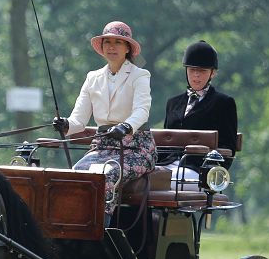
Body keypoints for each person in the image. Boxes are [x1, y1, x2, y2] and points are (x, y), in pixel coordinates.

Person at [52, 20, 156, 223]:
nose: (111, 46)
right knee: (76, 175)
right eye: (107, 41)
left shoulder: (140, 75)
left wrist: (126, 126)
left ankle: (101, 232)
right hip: (103, 147)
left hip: (136, 147)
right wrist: (66, 125)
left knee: (107, 174)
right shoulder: (93, 77)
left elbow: (142, 111)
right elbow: (79, 120)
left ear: (127, 48)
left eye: (118, 42)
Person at [162, 40, 237, 189]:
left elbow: (228, 146)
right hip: (166, 164)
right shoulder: (173, 103)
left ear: (212, 73)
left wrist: (212, 173)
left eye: (202, 71)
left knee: (167, 181)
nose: (196, 76)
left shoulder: (223, 102)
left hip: (198, 169)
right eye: (192, 70)